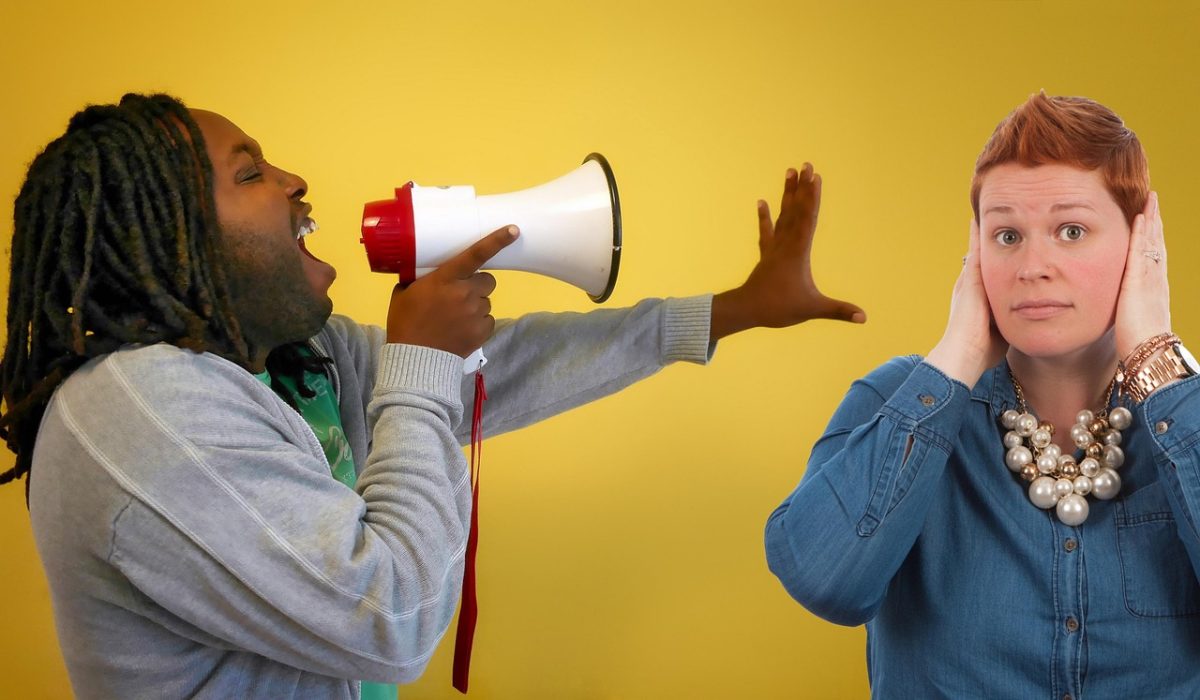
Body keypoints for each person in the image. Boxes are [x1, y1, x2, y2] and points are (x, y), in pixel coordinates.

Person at [0, 93, 864, 699]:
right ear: (170, 230)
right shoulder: (139, 413)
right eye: (251, 173)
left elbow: (495, 370)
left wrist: (731, 312)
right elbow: (391, 616)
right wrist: (419, 361)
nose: (296, 180)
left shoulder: (292, 362)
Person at [765, 91, 1200, 698]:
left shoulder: (1186, 417)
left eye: (1071, 231)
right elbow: (823, 583)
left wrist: (1154, 351)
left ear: (1139, 243)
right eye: (1006, 236)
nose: (1032, 266)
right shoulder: (897, 400)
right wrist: (959, 356)